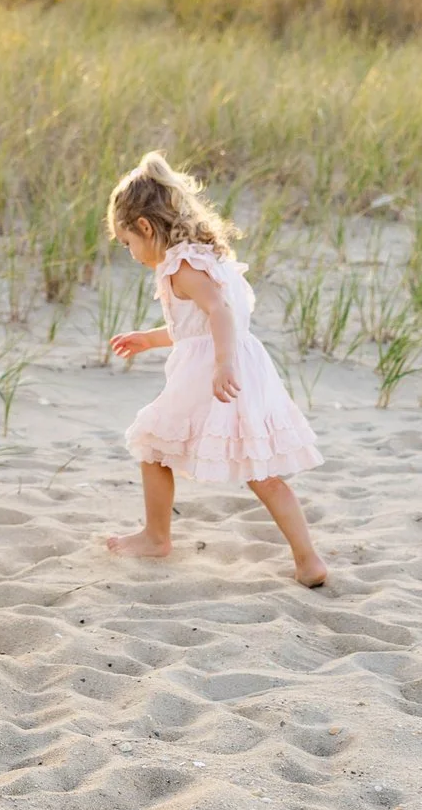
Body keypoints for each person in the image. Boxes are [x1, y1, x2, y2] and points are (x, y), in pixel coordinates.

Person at [104, 151, 329, 587]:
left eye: (127, 242)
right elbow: (198, 327)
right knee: (262, 474)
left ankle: (156, 537)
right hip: (242, 368)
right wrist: (149, 338)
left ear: (146, 227)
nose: (130, 253)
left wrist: (223, 364)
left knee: (151, 444)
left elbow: (219, 312)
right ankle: (309, 560)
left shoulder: (182, 268)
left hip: (217, 374)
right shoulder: (206, 258)